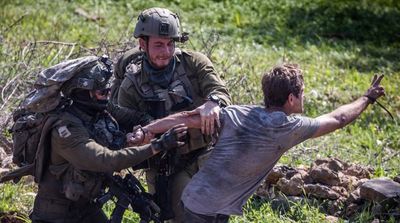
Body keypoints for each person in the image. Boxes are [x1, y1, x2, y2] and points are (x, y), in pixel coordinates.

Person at [128, 63, 385, 222]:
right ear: (292, 99)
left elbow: (185, 117)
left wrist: (146, 130)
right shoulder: (288, 128)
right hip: (202, 209)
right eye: (302, 93)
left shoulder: (237, 112)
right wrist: (367, 98)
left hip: (206, 202)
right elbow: (338, 117)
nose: (304, 98)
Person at [28, 56, 187, 223]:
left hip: (87, 208)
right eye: (102, 92)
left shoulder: (99, 108)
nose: (107, 95)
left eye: (108, 90)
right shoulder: (65, 130)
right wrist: (158, 145)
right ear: (82, 92)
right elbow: (106, 160)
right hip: (56, 215)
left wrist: (143, 130)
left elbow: (137, 117)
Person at [114, 7, 231, 222]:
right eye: (158, 44)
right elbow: (124, 134)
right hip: (165, 166)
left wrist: (213, 103)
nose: (165, 52)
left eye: (170, 44)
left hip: (205, 151)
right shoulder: (131, 85)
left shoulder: (193, 63)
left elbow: (220, 91)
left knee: (214, 213)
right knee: (180, 216)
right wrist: (141, 140)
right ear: (142, 44)